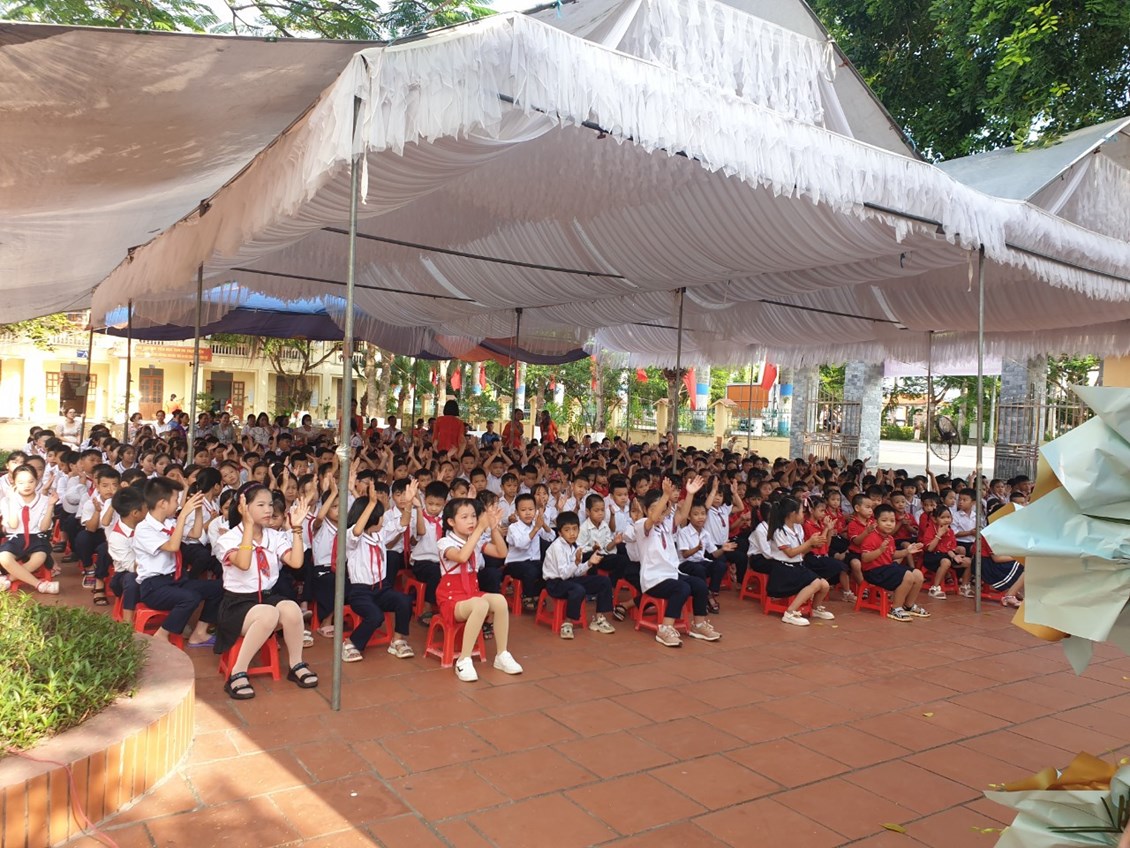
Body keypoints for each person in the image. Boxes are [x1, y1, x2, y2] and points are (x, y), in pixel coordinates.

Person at [213, 484, 317, 699]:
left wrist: (297, 528)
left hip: (266, 597)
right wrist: (248, 527)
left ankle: (296, 664)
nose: (268, 510)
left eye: (270, 504)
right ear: (243, 507)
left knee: (291, 608)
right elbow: (243, 563)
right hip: (237, 605)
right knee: (268, 613)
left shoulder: (274, 536)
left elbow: (296, 562)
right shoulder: (228, 539)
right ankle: (237, 672)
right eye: (261, 505)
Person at [436, 498, 524, 682]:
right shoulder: (444, 542)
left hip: (472, 593)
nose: (471, 521)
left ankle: (502, 654)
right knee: (480, 604)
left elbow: (501, 553)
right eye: (464, 517)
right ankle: (464, 659)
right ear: (451, 521)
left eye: (473, 516)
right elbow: (461, 556)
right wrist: (479, 529)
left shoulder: (474, 539)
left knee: (499, 601)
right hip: (451, 598)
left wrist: (492, 528)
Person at [133, 477, 221, 646]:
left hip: (176, 580)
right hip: (154, 586)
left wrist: (197, 510)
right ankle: (161, 635)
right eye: (175, 500)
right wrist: (183, 516)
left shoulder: (169, 523)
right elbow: (173, 546)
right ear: (162, 503)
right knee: (190, 598)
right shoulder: (144, 528)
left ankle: (199, 633)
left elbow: (195, 534)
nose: (178, 504)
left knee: (218, 588)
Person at [636, 476, 721, 647]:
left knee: (700, 585)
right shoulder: (642, 525)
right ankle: (665, 629)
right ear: (645, 510)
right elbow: (652, 519)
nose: (658, 514)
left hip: (672, 574)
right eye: (653, 509)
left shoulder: (666, 525)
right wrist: (665, 496)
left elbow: (682, 515)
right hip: (654, 579)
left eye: (662, 510)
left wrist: (689, 494)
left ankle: (699, 625)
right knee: (682, 588)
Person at [341, 480, 417, 662]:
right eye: (381, 516)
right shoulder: (352, 538)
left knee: (404, 601)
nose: (384, 519)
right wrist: (372, 504)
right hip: (360, 592)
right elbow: (357, 530)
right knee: (375, 616)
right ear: (371, 518)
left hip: (382, 588)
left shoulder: (380, 534)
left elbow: (402, 523)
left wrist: (409, 504)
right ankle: (351, 643)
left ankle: (397, 640)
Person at [542, 511, 616, 639]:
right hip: (555, 584)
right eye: (567, 530)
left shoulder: (576, 546)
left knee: (604, 581)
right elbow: (563, 575)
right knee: (578, 589)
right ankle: (568, 623)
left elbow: (576, 572)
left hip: (570, 580)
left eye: (575, 529)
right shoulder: (557, 547)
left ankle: (599, 619)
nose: (572, 533)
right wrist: (576, 562)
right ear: (560, 533)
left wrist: (589, 563)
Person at [766, 497, 835, 627]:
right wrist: (809, 543)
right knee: (816, 583)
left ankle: (815, 608)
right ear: (792, 514)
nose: (804, 514)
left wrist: (813, 545)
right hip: (783, 570)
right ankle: (790, 613)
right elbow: (790, 553)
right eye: (802, 511)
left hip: (797, 566)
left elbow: (801, 552)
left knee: (825, 585)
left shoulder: (798, 528)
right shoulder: (779, 531)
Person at [860, 504, 928, 622]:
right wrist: (880, 550)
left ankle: (909, 605)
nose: (889, 524)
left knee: (918, 574)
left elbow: (892, 554)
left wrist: (907, 551)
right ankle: (895, 608)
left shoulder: (890, 538)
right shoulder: (870, 537)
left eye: (892, 521)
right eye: (884, 520)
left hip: (887, 567)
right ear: (876, 522)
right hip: (873, 571)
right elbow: (865, 558)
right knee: (907, 576)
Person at [0, 464, 60, 593]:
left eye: (31, 481)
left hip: (36, 537)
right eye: (21, 482)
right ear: (13, 482)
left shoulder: (45, 500)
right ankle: (39, 585)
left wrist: (50, 505)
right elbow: (13, 524)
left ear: (37, 481)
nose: (26, 486)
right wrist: (12, 501)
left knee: (39, 557)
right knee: (3, 557)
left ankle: (8, 579)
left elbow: (43, 528)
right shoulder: (7, 501)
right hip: (15, 538)